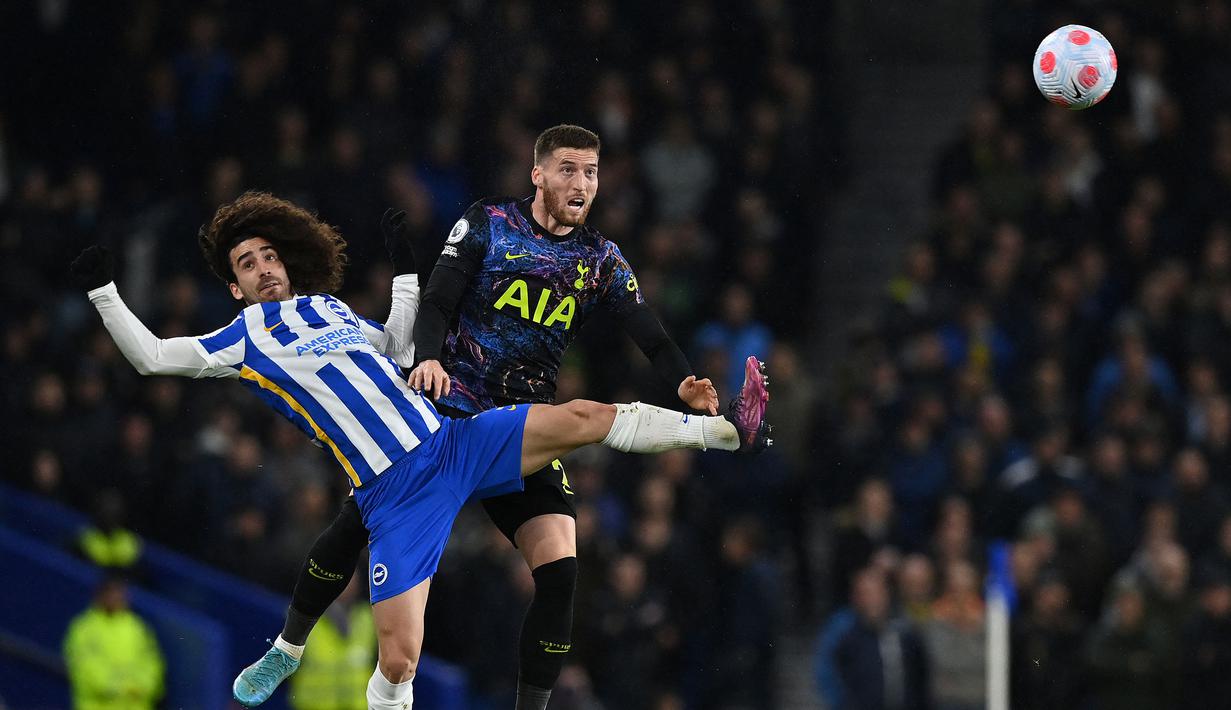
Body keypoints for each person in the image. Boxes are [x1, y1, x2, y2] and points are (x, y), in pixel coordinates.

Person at [71, 190, 771, 710]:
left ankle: (723, 432)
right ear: (234, 286)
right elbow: (153, 357)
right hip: (394, 494)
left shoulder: (331, 311)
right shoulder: (240, 339)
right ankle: (288, 652)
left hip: (450, 441)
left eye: (266, 256)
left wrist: (405, 266)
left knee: (583, 415)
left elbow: (399, 346)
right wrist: (105, 292)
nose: (261, 269)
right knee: (400, 661)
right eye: (245, 265)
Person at [244, 124, 729, 709]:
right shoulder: (489, 222)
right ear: (539, 174)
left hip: (520, 427)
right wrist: (425, 358)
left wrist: (684, 382)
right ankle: (288, 647)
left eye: (592, 172)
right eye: (569, 169)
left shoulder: (599, 258)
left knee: (561, 571)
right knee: (355, 523)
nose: (582, 183)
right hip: (447, 410)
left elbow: (646, 331)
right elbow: (440, 298)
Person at [62, 573, 165, 710]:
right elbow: (85, 667)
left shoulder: (137, 627)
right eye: (112, 593)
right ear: (100, 595)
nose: (116, 598)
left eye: (120, 593)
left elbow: (152, 662)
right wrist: (120, 687)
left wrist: (143, 686)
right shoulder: (84, 628)